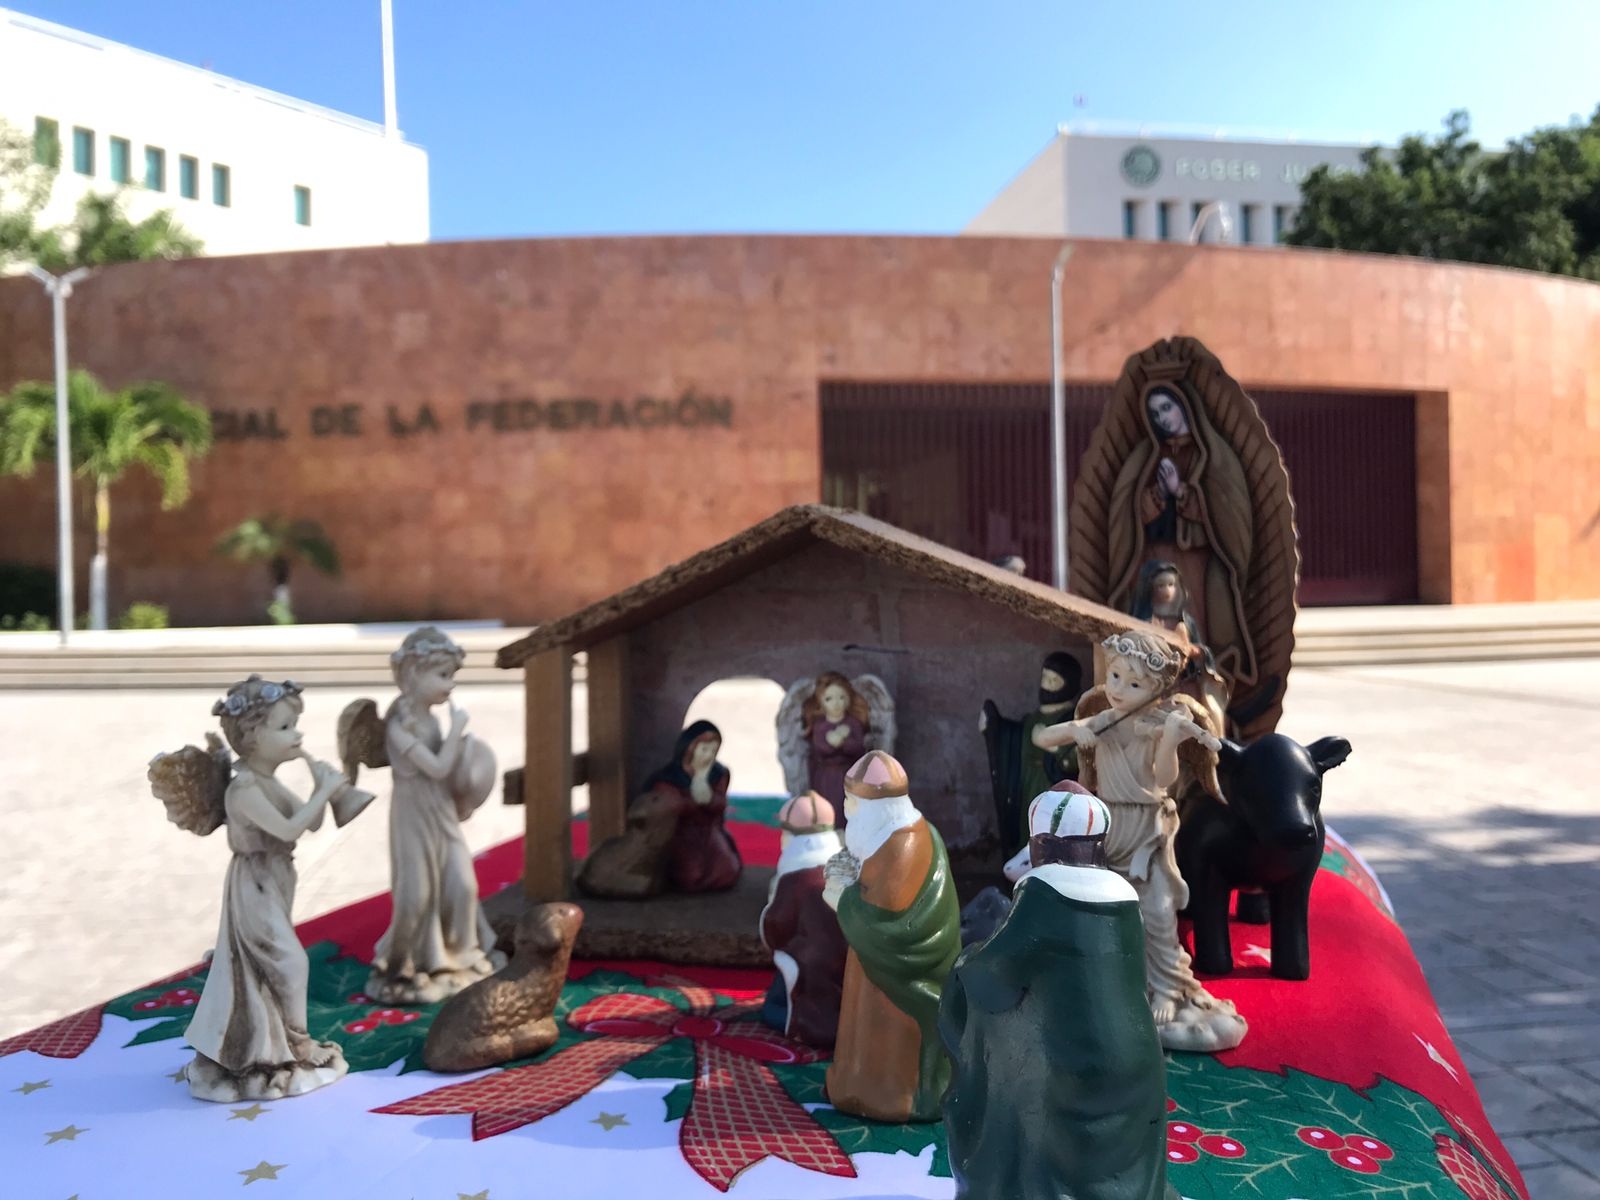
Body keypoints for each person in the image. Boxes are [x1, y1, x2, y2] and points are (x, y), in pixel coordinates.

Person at [941, 783, 1177, 1200]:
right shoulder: (1124, 901)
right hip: (1138, 1063)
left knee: (1009, 1069)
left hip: (1074, 1069)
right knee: (1119, 1167)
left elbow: (992, 980)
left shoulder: (1046, 893)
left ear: (1043, 844)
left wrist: (968, 958)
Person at [1036, 631, 1246, 1052]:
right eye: (1114, 677)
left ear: (1157, 690)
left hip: (1147, 827)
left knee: (1158, 911)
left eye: (1133, 684)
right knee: (1107, 911)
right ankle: (1113, 985)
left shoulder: (1155, 725)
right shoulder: (1102, 720)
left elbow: (1166, 779)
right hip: (1109, 826)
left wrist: (1171, 736)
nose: (1118, 690)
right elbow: (1042, 737)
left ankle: (1168, 987)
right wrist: (1077, 732)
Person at [181, 677, 350, 1101]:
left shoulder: (268, 781)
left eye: (295, 724)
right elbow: (291, 827)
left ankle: (264, 1045)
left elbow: (307, 822)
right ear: (252, 738)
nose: (298, 735)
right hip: (253, 882)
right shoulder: (244, 790)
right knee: (289, 962)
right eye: (286, 727)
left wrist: (321, 788)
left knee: (265, 967)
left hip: (275, 877)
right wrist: (325, 791)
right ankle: (298, 1043)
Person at [823, 751, 961, 1123]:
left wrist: (840, 896)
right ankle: (855, 1083)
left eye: (852, 800)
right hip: (874, 960)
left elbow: (889, 920)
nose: (847, 807)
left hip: (902, 969)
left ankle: (892, 1096)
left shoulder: (904, 844)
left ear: (876, 805)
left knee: (885, 1032)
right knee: (863, 1025)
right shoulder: (884, 835)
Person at [369, 628, 502, 1004]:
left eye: (452, 675)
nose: (451, 685)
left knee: (463, 885)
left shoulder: (430, 718)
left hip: (440, 808)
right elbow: (438, 767)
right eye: (443, 675)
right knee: (417, 897)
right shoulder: (398, 725)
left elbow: (450, 771)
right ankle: (399, 965)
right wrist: (458, 731)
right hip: (414, 814)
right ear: (413, 674)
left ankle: (460, 954)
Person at [1108, 384, 1256, 688]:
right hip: (1154, 555)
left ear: (1184, 407)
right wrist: (1158, 495)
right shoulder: (1149, 455)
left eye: (1167, 408)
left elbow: (1226, 512)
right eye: (1155, 414)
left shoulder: (1212, 455)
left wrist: (1182, 492)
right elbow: (1130, 509)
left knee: (1192, 623)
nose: (1163, 418)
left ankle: (1197, 684)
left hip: (1194, 562)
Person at [759, 792, 849, 1048]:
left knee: (778, 1003)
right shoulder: (844, 867)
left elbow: (775, 929)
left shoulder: (795, 878)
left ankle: (794, 1017)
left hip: (809, 970)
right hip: (847, 966)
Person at [979, 651, 1086, 859]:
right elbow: (1018, 738)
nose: (1047, 685)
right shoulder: (1034, 718)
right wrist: (995, 727)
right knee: (1027, 828)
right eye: (1045, 678)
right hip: (1027, 785)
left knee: (1051, 830)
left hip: (1052, 786)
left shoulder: (1071, 719)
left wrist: (1051, 746)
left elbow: (1075, 758)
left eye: (1054, 681)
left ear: (1069, 686)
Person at [644, 719, 743, 893]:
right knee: (690, 874)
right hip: (681, 833)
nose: (708, 756)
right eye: (704, 750)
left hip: (709, 831)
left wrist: (710, 797)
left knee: (725, 870)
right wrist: (694, 800)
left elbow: (720, 803)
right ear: (690, 749)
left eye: (713, 751)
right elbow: (669, 805)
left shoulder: (718, 774)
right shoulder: (669, 778)